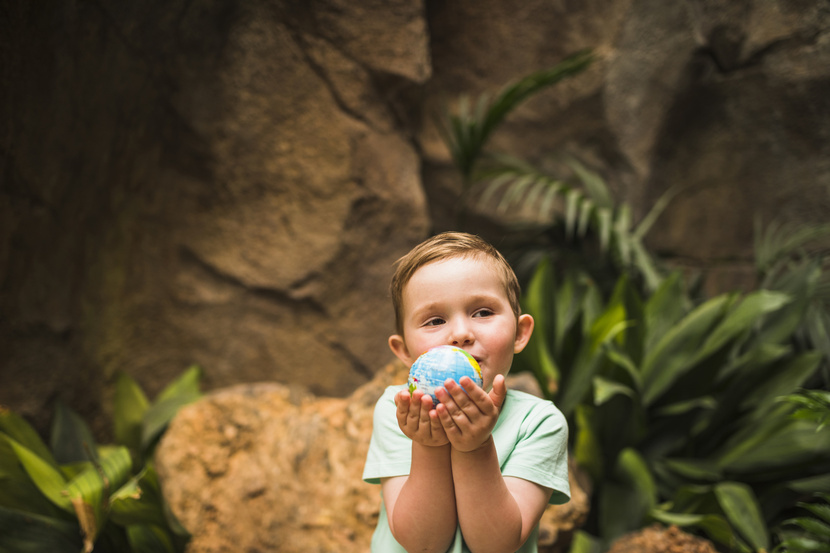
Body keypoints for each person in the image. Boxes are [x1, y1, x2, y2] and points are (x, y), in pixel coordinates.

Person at [363, 232, 570, 553]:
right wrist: (428, 446)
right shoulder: (399, 409)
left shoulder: (540, 422)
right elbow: (424, 544)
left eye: (483, 312)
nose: (460, 334)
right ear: (404, 351)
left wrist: (475, 449)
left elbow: (496, 545)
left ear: (520, 332)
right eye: (434, 320)